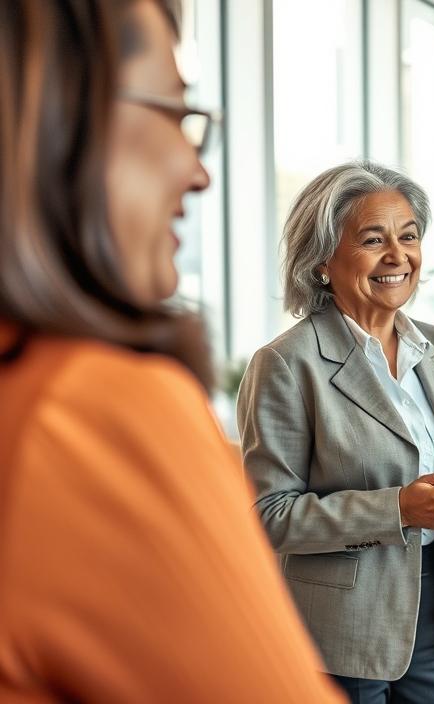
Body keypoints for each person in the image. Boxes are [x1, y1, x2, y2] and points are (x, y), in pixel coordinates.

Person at [0, 1, 343, 701]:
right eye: (175, 113)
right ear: (61, 116)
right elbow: (278, 511)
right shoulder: (92, 410)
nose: (198, 172)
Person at [238, 160, 434, 703]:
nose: (398, 256)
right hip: (339, 629)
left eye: (409, 236)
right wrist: (399, 510)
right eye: (373, 239)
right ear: (321, 261)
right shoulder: (286, 365)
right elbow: (265, 518)